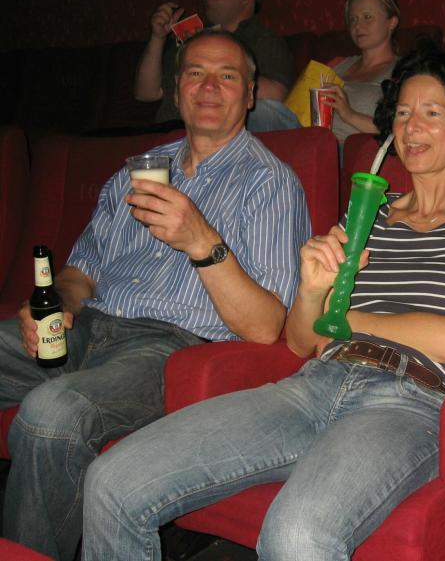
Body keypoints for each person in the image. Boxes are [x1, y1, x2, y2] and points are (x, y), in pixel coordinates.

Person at [81, 43, 445, 560]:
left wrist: (343, 318)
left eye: (432, 113)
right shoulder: (368, 212)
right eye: (403, 113)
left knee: (296, 536)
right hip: (314, 383)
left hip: (410, 400)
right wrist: (312, 289)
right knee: (112, 482)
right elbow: (301, 341)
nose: (411, 128)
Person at [0, 28, 311, 561]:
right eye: (196, 73)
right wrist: (59, 302)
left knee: (53, 413)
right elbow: (80, 272)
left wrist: (201, 241)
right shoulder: (136, 171)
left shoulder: (271, 183)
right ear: (176, 88)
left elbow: (265, 327)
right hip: (86, 328)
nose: (209, 87)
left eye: (227, 76)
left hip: (167, 350)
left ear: (250, 94)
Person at [135, 0, 299, 132]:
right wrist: (157, 38)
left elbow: (276, 97)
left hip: (220, 133)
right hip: (170, 133)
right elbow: (145, 93)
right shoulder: (192, 37)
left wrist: (212, 58)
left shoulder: (263, 39)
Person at [322, 0, 400, 146]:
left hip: (346, 150)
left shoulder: (403, 71)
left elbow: (401, 130)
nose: (357, 25)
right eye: (353, 19)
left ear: (391, 22)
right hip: (309, 141)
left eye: (367, 17)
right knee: (270, 110)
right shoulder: (337, 64)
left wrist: (349, 114)